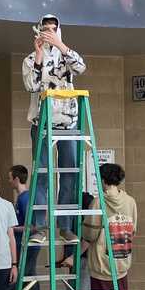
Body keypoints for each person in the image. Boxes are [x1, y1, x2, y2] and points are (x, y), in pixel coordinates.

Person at [21, 13, 86, 244]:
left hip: (68, 121)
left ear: (58, 30)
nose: (48, 31)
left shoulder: (67, 55)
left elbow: (81, 68)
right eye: (45, 27)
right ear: (38, 30)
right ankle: (39, 227)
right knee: (42, 173)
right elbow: (31, 86)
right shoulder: (30, 59)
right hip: (42, 122)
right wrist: (39, 55)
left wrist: (60, 45)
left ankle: (66, 226)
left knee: (69, 173)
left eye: (52, 28)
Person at [81, 164, 140, 290]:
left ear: (103, 180)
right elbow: (133, 229)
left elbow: (89, 234)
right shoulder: (130, 201)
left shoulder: (98, 202)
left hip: (101, 264)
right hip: (122, 262)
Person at [8, 165, 47, 290]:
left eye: (10, 178)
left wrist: (9, 228)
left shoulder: (26, 198)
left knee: (22, 286)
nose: (9, 181)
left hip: (27, 247)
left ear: (16, 179)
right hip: (21, 246)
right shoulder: (22, 199)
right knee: (28, 286)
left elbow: (31, 226)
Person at [57, 190, 96, 290]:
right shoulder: (69, 202)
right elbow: (69, 235)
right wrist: (64, 254)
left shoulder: (85, 201)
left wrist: (73, 257)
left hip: (83, 259)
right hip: (79, 258)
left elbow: (87, 237)